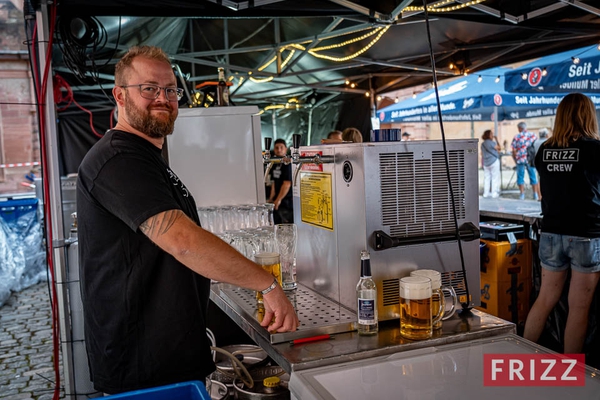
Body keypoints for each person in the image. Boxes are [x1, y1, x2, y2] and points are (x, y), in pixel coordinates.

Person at [76, 46, 298, 395]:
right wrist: (267, 284)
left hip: (167, 356)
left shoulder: (147, 158)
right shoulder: (118, 159)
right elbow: (183, 240)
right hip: (141, 365)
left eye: (170, 90)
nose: (163, 98)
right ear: (120, 95)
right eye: (149, 88)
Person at [523, 93, 600, 355]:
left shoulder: (545, 149)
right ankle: (571, 376)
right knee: (578, 308)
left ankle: (520, 362)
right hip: (586, 235)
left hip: (551, 233)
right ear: (588, 115)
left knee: (545, 300)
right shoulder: (594, 149)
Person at [511, 121, 541, 200]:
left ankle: (522, 194)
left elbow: (513, 150)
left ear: (520, 128)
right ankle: (535, 194)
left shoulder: (517, 136)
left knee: (520, 177)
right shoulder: (533, 135)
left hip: (520, 159)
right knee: (533, 176)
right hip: (530, 159)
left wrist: (515, 159)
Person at [268, 138, 293, 224]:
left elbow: (287, 184)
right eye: (276, 147)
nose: (279, 150)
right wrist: (271, 199)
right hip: (277, 201)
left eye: (281, 147)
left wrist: (278, 200)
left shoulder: (288, 163)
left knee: (285, 225)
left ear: (286, 149)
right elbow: (274, 183)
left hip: (286, 201)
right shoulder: (274, 163)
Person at [480, 129, 501, 198]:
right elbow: (499, 148)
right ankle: (494, 193)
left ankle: (486, 193)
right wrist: (497, 140)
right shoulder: (491, 143)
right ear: (488, 135)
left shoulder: (482, 144)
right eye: (491, 134)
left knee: (487, 178)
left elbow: (482, 154)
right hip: (494, 161)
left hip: (486, 162)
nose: (492, 135)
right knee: (494, 177)